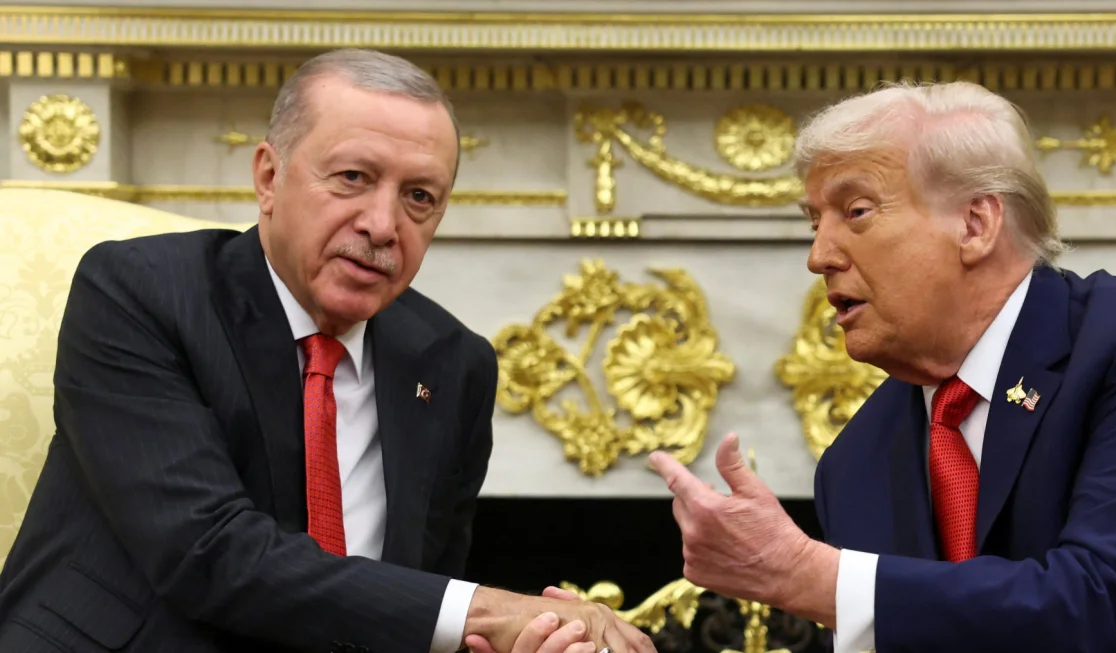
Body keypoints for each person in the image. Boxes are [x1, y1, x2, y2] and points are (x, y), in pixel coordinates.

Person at [0, 48, 652, 653]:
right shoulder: (142, 292)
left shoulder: (453, 363)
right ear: (268, 177)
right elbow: (206, 553)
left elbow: (415, 597)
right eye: (352, 177)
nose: (381, 224)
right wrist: (485, 612)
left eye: (419, 197)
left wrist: (527, 634)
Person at [644, 80, 1116, 653]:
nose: (818, 256)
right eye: (813, 222)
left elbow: (1105, 604)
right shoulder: (855, 461)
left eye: (856, 211)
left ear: (975, 225)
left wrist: (806, 576)